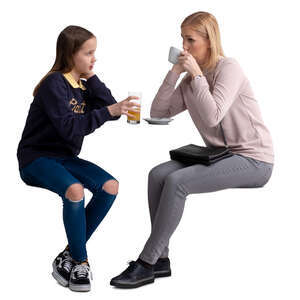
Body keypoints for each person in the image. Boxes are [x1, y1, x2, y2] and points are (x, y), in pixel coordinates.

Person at [110, 11, 274, 289]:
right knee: (157, 174)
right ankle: (161, 258)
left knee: (176, 181)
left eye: (191, 40)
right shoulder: (189, 81)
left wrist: (196, 75)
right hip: (220, 154)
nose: (184, 47)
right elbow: (159, 111)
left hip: (253, 159)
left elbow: (213, 117)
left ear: (209, 41)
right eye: (182, 39)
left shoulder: (228, 68)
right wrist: (175, 73)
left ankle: (146, 262)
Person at [17, 25, 139, 292]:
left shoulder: (82, 86)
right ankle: (81, 261)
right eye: (88, 53)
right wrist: (108, 110)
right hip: (35, 158)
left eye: (94, 53)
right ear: (71, 54)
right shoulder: (54, 84)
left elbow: (112, 109)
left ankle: (68, 255)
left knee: (110, 186)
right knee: (74, 190)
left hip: (64, 157)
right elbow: (71, 127)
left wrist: (92, 78)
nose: (94, 58)